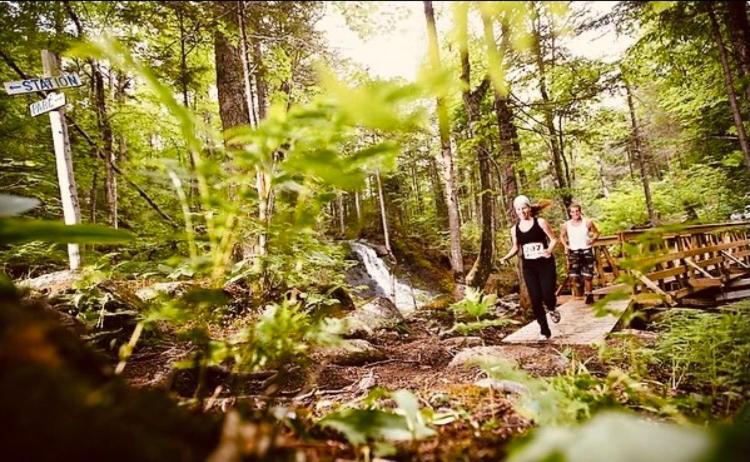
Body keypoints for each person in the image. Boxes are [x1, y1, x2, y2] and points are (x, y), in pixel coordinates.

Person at [499, 195, 560, 341]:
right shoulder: (515, 229)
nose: (522, 212)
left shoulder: (540, 222)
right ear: (516, 211)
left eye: (524, 208)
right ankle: (544, 331)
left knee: (547, 294)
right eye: (519, 209)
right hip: (529, 267)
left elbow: (553, 239)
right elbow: (516, 247)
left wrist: (548, 250)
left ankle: (551, 308)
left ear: (529, 208)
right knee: (535, 299)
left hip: (545, 264)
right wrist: (505, 257)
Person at [559, 203, 600, 304]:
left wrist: (592, 240)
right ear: (570, 213)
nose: (575, 213)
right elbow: (562, 236)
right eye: (573, 212)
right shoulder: (566, 225)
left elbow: (596, 233)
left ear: (580, 211)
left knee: (588, 275)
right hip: (574, 251)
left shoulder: (587, 222)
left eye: (577, 211)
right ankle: (579, 294)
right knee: (574, 276)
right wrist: (565, 245)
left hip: (586, 250)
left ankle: (589, 295)